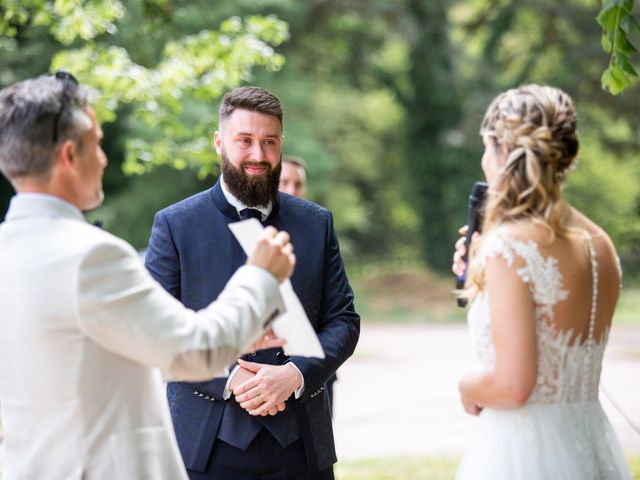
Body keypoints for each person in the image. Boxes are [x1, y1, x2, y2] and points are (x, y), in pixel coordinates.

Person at [0, 72, 297, 479]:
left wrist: (239, 333)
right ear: (70, 156)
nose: (103, 159)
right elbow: (195, 351)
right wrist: (261, 277)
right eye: (98, 144)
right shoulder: (92, 257)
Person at [145, 86, 360, 479]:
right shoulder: (175, 225)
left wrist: (295, 374)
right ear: (219, 142)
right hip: (205, 446)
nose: (258, 155)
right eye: (244, 141)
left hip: (302, 448)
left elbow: (344, 321)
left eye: (269, 142)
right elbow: (154, 332)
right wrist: (229, 377)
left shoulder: (316, 223)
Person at [452, 84, 631, 479]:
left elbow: (513, 386)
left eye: (486, 147)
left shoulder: (509, 246)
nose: (484, 160)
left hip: (523, 455)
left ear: (503, 150)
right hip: (590, 445)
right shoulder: (600, 243)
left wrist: (467, 387)